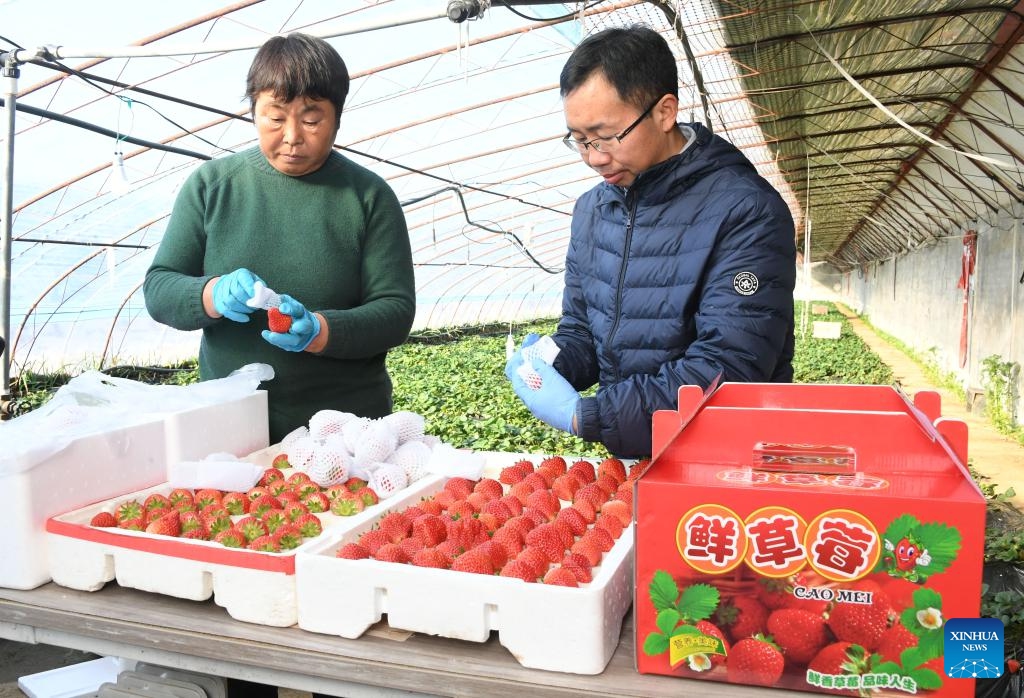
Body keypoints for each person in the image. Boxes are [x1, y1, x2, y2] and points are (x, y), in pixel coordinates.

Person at [505, 24, 796, 458]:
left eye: (605, 136)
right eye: (579, 140)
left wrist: (591, 415)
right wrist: (551, 361)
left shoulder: (745, 212)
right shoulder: (592, 211)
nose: (594, 157)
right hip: (634, 450)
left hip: (721, 459)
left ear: (664, 112)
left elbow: (730, 365)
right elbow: (584, 328)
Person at [144, 33, 416, 448]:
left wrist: (320, 331)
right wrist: (213, 294)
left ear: (338, 117)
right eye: (274, 117)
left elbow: (395, 310)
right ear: (253, 110)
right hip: (232, 426)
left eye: (311, 120)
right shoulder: (213, 186)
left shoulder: (368, 196)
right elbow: (160, 288)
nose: (292, 135)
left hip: (347, 431)